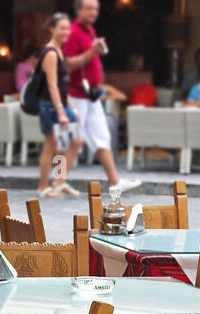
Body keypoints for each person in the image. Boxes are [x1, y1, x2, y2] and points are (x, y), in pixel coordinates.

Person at [62, 0, 140, 193]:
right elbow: (67, 63)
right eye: (89, 8)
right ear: (79, 10)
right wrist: (92, 52)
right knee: (68, 140)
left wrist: (96, 52)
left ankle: (115, 182)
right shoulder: (72, 31)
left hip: (91, 95)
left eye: (96, 8)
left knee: (101, 138)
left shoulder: (90, 31)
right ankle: (57, 182)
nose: (93, 12)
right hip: (76, 94)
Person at [36, 13, 83, 199]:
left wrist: (73, 108)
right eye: (61, 28)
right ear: (52, 29)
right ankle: (43, 187)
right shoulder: (50, 53)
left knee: (73, 142)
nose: (66, 32)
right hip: (50, 106)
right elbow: (52, 85)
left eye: (67, 28)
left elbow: (63, 87)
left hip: (61, 104)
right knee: (51, 145)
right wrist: (62, 112)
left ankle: (60, 181)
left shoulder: (59, 51)